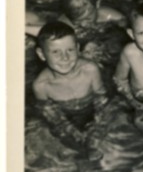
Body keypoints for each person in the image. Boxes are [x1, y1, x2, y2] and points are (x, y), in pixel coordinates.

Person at [32, 21, 107, 158]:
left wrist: (97, 126)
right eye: (55, 52)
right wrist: (72, 132)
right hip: (65, 117)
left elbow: (101, 99)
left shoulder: (90, 70)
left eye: (70, 50)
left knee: (106, 135)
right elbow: (53, 116)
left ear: (78, 48)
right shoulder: (41, 86)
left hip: (91, 111)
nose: (65, 58)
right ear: (41, 54)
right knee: (63, 142)